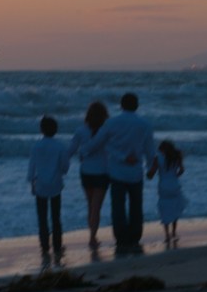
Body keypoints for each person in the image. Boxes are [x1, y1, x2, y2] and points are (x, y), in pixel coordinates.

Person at [82, 92, 155, 250]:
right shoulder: (145, 124)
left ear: (121, 105)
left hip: (117, 172)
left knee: (118, 207)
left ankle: (121, 238)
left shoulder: (112, 123)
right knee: (136, 206)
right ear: (137, 106)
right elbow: (150, 149)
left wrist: (84, 151)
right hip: (136, 172)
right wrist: (150, 168)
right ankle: (135, 236)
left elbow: (97, 142)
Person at [66, 101, 110, 248]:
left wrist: (58, 164)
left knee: (90, 206)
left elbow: (70, 150)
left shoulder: (80, 130)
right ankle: (92, 237)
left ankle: (92, 236)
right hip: (102, 172)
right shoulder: (106, 131)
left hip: (86, 172)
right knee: (96, 207)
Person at [27, 115, 70, 256]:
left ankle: (44, 245)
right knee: (56, 217)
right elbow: (65, 167)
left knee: (42, 217)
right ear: (55, 130)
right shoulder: (60, 146)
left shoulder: (37, 146)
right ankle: (57, 245)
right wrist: (60, 172)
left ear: (41, 130)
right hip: (56, 184)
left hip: (40, 185)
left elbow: (32, 167)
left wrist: (31, 182)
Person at [146, 139, 187, 243]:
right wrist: (175, 176)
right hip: (174, 184)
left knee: (165, 208)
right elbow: (182, 170)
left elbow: (151, 174)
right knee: (174, 207)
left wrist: (147, 174)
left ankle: (167, 235)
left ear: (162, 149)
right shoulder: (176, 157)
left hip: (163, 185)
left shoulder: (158, 158)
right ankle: (174, 232)